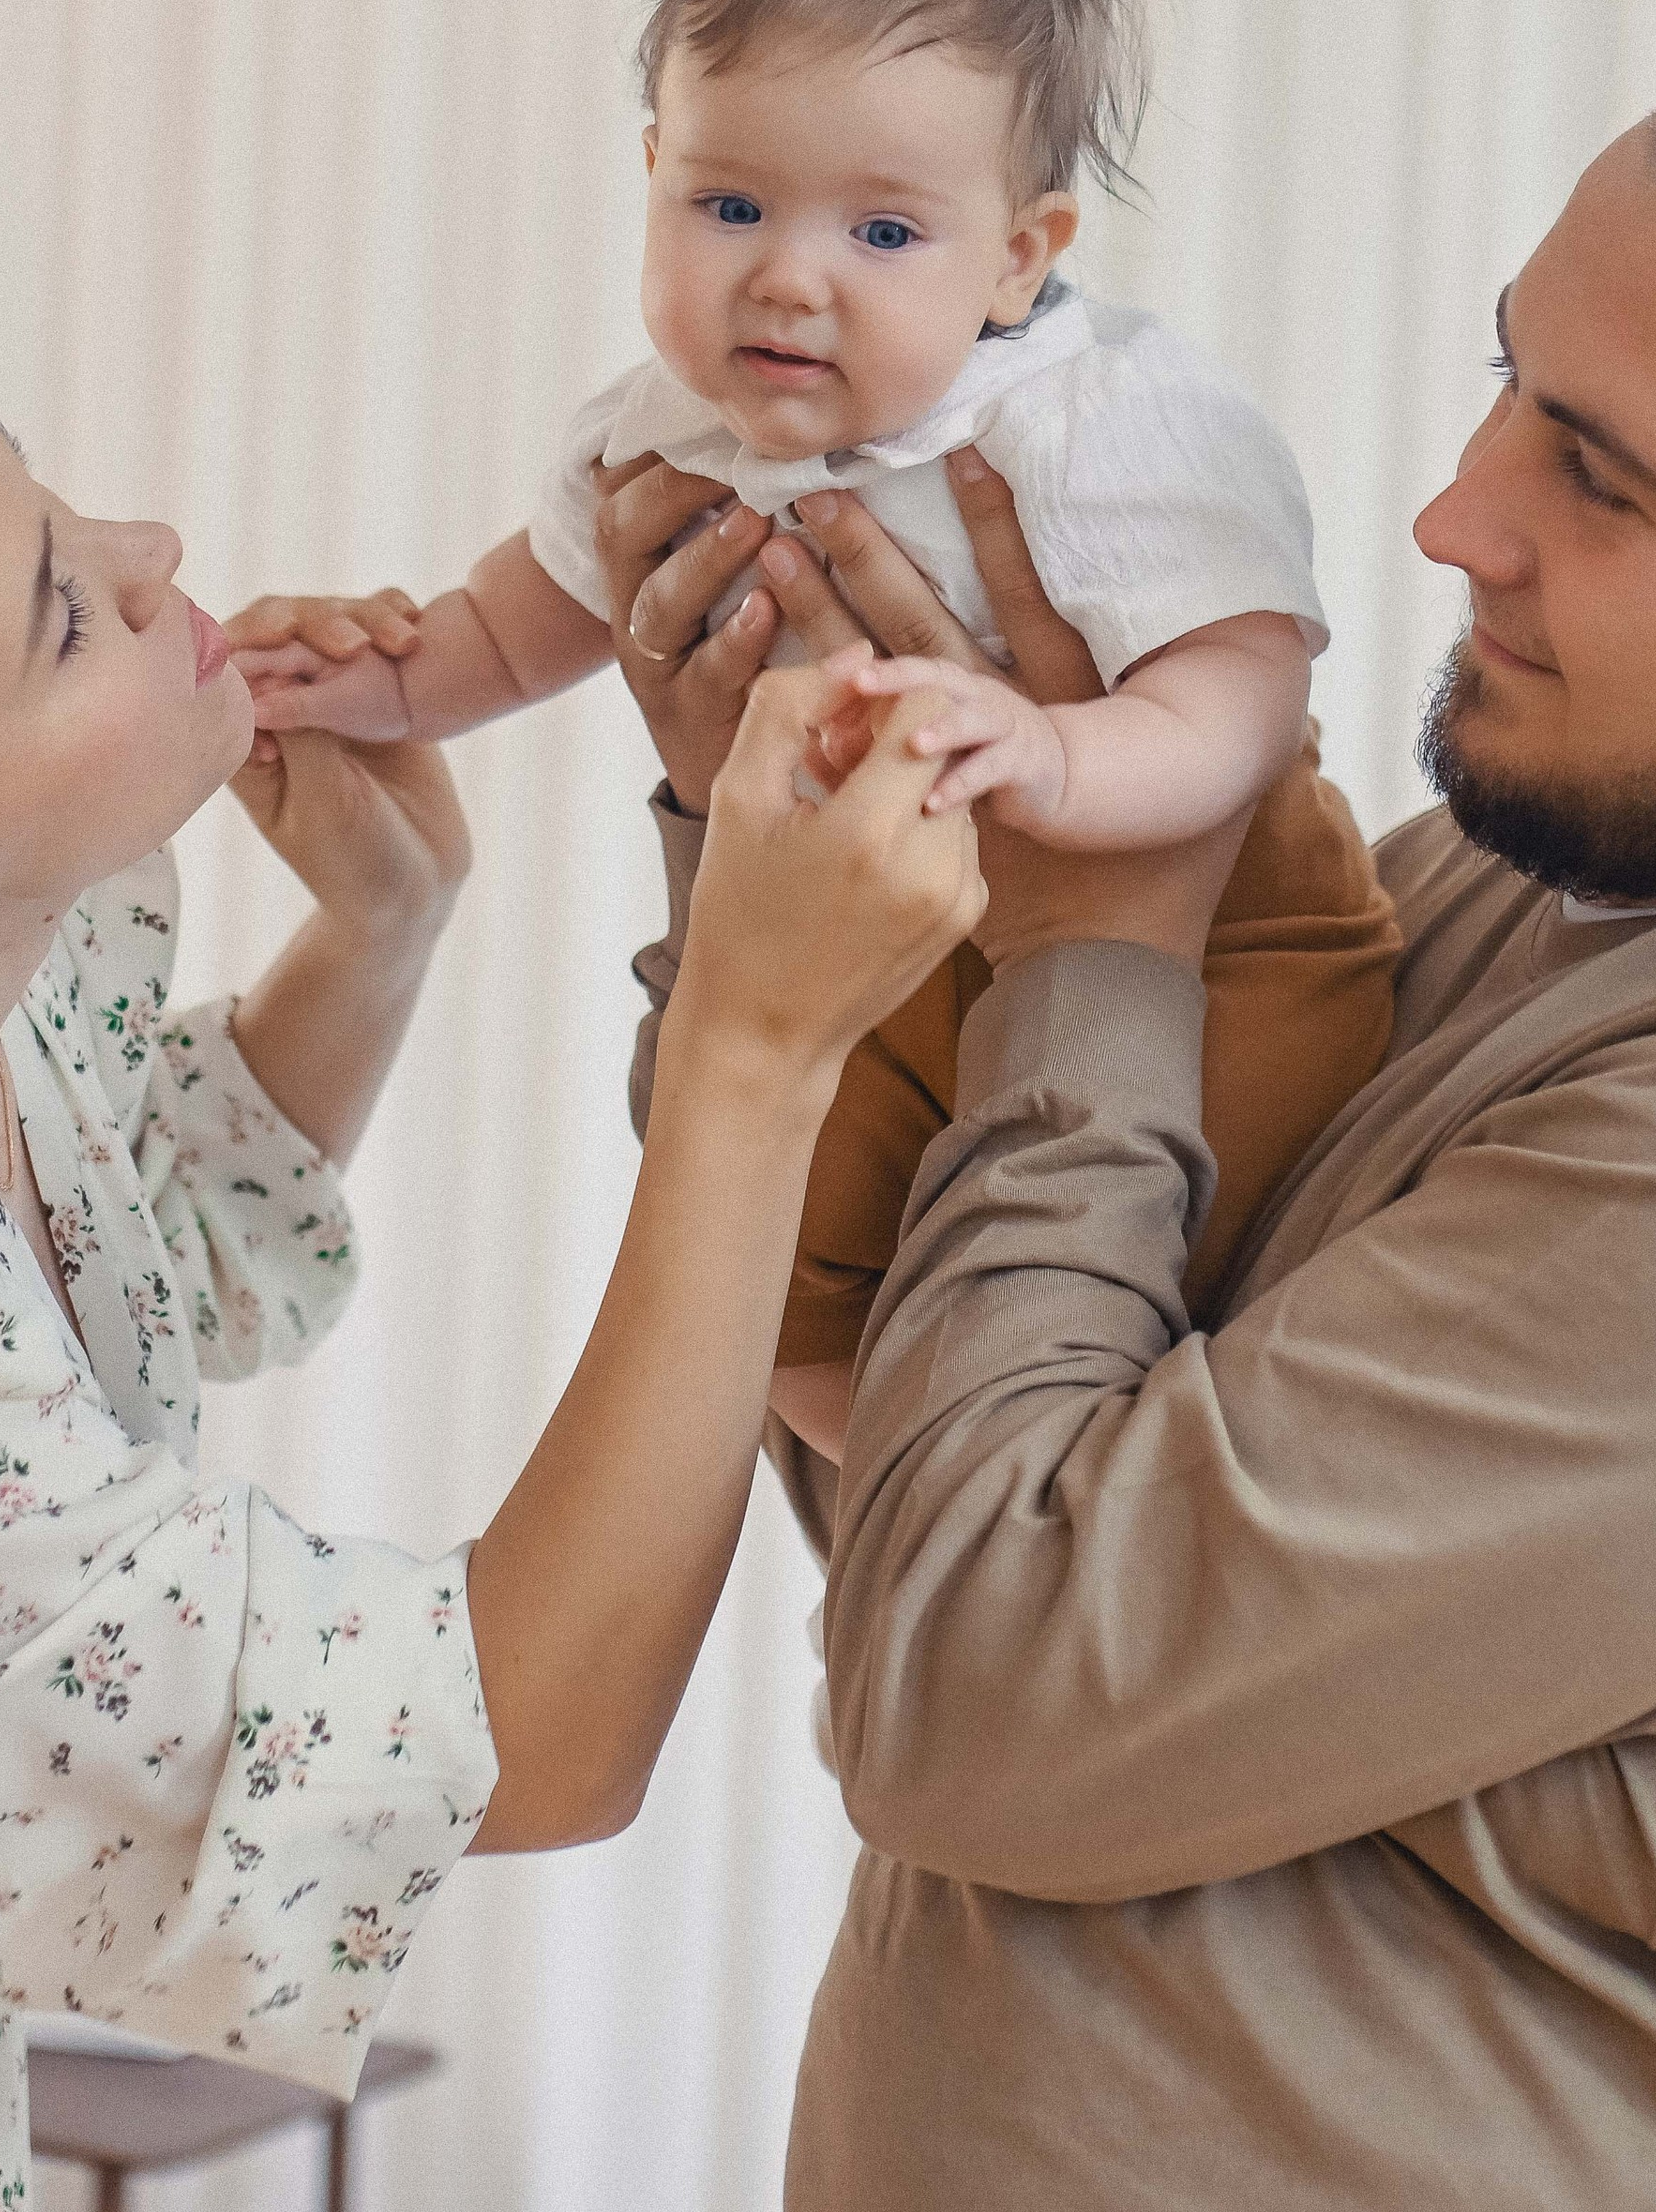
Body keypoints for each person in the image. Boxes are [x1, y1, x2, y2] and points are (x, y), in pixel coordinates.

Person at [612, 115, 1656, 2208]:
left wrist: (1093, 938)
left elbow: (970, 1692)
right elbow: (916, 1466)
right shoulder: (1505, 887)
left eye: (1605, 476)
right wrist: (803, 832)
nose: (1458, 520)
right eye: (1503, 388)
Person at [227, 0, 1397, 1422]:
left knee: (1246, 1193)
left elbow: (1242, 692)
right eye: (728, 203)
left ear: (1019, 258)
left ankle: (1122, 1454)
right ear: (651, 170)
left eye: (883, 235)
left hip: (1210, 932)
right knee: (764, 1260)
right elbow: (516, 629)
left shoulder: (1100, 418)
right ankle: (913, 1474)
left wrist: (1054, 751)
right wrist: (377, 682)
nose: (787, 279)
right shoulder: (661, 431)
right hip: (865, 936)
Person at [0, 403, 981, 2205]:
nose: (149, 554)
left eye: (59, 503)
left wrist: (380, 925)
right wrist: (752, 1045)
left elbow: (129, 1280)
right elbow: (531, 1733)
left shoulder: (24, 983)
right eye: (63, 618)